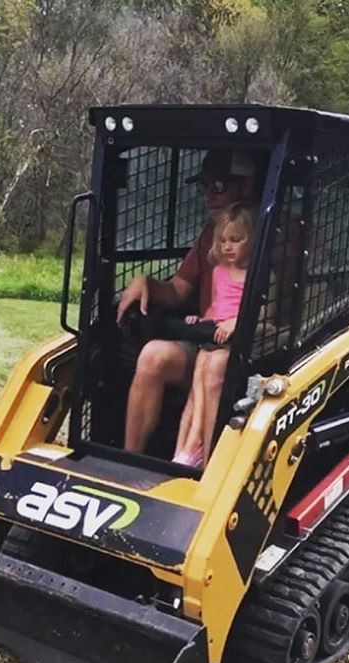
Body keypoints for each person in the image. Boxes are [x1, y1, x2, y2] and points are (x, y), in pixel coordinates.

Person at [116, 148, 257, 456]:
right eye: (204, 188)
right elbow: (179, 290)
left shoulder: (276, 234)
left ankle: (210, 469)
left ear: (245, 186)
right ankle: (129, 460)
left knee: (215, 365)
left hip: (250, 351)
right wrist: (146, 283)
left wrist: (243, 325)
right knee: (152, 355)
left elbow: (280, 312)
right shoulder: (211, 235)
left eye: (217, 187)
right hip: (205, 339)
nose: (208, 197)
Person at [173, 202, 257, 467]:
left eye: (236, 240)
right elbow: (215, 307)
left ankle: (208, 455)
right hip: (213, 338)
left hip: (237, 344)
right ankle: (184, 450)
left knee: (210, 371)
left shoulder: (257, 277)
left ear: (251, 240)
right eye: (222, 241)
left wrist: (237, 322)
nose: (227, 247)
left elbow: (267, 317)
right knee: (199, 375)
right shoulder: (219, 273)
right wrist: (201, 319)